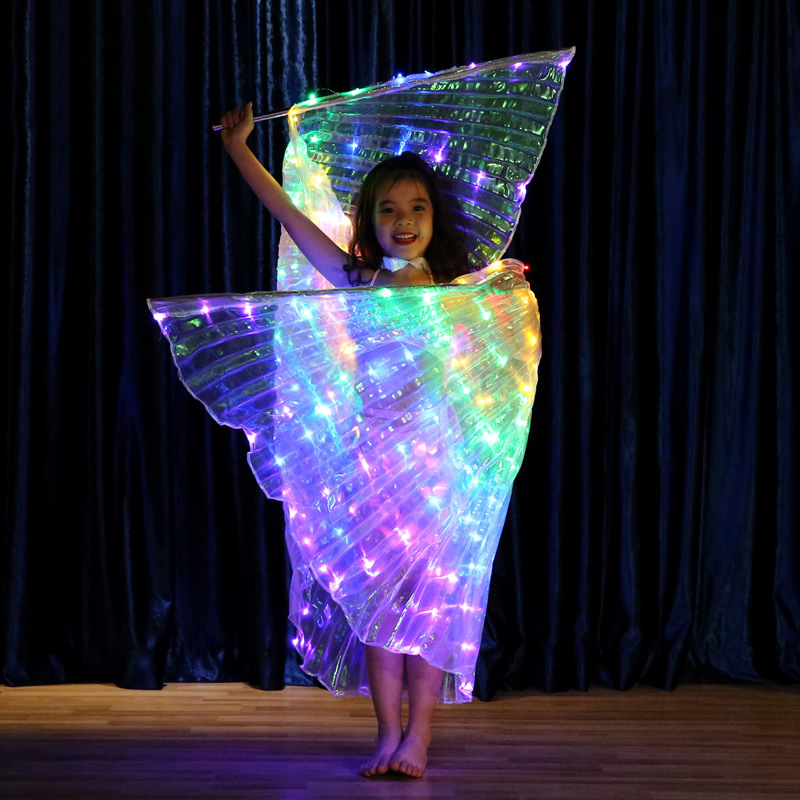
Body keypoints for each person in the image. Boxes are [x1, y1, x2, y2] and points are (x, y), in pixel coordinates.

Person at [219, 102, 475, 778]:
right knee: (379, 608)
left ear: (435, 219)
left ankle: (419, 737)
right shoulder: (357, 281)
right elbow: (289, 215)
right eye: (388, 209)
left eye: (416, 207)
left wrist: (506, 289)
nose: (403, 220)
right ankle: (388, 735)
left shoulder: (456, 292)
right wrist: (240, 149)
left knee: (426, 605)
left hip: (434, 469)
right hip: (375, 468)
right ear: (370, 221)